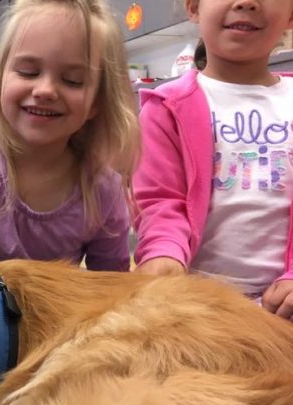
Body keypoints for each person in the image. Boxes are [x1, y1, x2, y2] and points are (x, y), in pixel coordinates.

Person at [0, 0, 139, 270]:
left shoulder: (103, 190)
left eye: (72, 80)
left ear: (96, 102)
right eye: (28, 72)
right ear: (1, 77)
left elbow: (110, 286)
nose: (45, 90)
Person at [133, 0, 293, 319]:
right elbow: (161, 202)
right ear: (194, 7)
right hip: (195, 306)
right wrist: (163, 256)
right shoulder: (165, 108)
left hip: (283, 310)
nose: (246, 2)